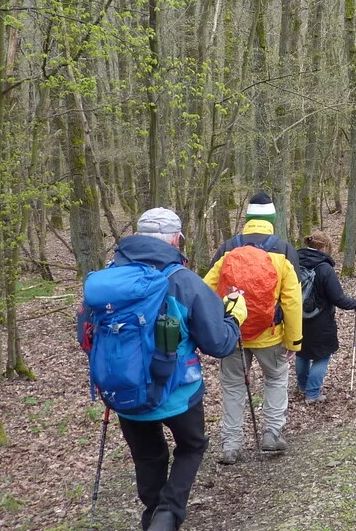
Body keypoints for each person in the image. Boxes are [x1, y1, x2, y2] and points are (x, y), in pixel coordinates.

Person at [80, 208, 243, 531]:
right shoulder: (183, 281)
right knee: (192, 445)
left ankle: (153, 513)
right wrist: (235, 317)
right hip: (178, 391)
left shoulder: (108, 279)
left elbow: (87, 336)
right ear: (174, 239)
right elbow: (218, 343)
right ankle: (167, 514)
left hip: (123, 388)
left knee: (148, 455)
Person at [203, 192, 303, 465]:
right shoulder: (283, 251)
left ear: (247, 219)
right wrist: (294, 341)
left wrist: (215, 330)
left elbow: (206, 291)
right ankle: (271, 434)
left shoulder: (227, 249)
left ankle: (231, 445)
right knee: (276, 378)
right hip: (269, 334)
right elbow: (293, 301)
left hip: (233, 333)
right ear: (272, 220)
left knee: (232, 386)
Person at [295, 231, 356, 403]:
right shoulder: (325, 268)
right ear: (324, 247)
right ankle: (312, 393)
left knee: (301, 352)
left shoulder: (295, 263)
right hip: (321, 320)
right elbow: (338, 298)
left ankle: (302, 386)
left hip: (296, 317)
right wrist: (355, 303)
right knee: (322, 355)